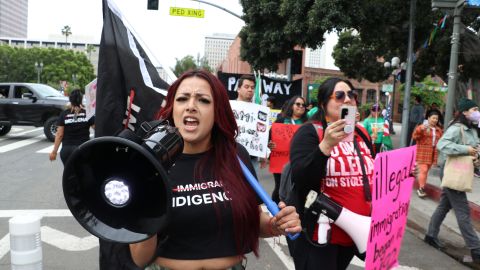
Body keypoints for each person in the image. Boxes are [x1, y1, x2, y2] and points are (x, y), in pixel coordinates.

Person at [129, 70, 301, 270]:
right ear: (173, 107)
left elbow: (255, 221)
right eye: (182, 99)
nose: (191, 106)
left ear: (217, 110)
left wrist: (275, 225)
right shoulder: (149, 162)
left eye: (203, 100)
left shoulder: (236, 156)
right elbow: (140, 258)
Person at [289, 78, 375, 269]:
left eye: (351, 95)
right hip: (319, 234)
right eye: (339, 95)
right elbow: (301, 179)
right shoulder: (310, 133)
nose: (347, 100)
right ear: (323, 104)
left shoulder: (362, 134)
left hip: (354, 233)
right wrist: (325, 146)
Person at [424, 98, 480, 262]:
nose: (477, 112)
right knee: (462, 210)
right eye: (474, 109)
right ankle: (476, 248)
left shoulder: (472, 129)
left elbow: (474, 149)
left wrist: (474, 154)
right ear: (464, 112)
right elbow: (442, 145)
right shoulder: (457, 128)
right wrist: (465, 149)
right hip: (452, 171)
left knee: (444, 205)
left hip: (460, 170)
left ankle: (430, 235)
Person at [268, 95, 308, 204]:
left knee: (297, 187)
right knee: (280, 187)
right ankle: (274, 211)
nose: (301, 106)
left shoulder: (308, 123)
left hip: (300, 161)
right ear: (291, 106)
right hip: (280, 160)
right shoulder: (281, 120)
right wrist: (270, 144)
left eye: (303, 105)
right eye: (298, 104)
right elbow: (269, 136)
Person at [49, 89, 94, 165]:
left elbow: (59, 135)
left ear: (70, 100)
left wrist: (54, 152)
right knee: (84, 174)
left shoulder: (64, 114)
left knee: (69, 174)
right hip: (83, 149)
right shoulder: (87, 113)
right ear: (81, 99)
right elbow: (97, 128)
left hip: (67, 150)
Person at [412, 110, 443, 198]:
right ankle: (421, 188)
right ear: (428, 118)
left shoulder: (438, 130)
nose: (435, 120)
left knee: (425, 171)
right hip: (422, 152)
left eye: (436, 118)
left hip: (433, 153)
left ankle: (421, 186)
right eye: (433, 118)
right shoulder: (422, 127)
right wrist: (420, 130)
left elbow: (441, 140)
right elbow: (414, 137)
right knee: (424, 170)